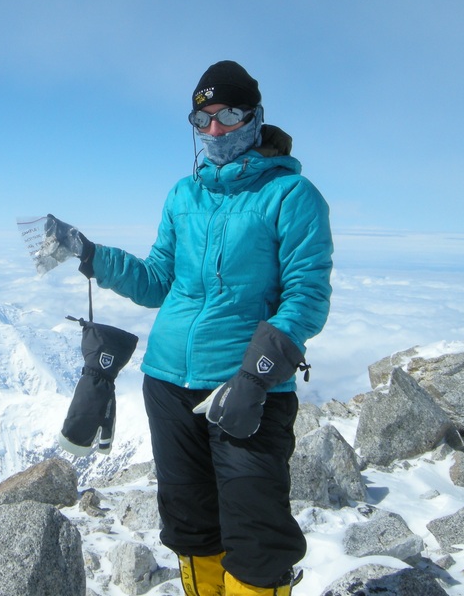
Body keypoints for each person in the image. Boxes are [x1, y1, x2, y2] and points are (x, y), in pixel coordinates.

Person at [45, 60, 333, 596]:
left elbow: (307, 297)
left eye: (228, 114)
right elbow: (158, 281)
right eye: (202, 120)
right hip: (168, 385)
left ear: (256, 116)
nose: (215, 130)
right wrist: (90, 254)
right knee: (193, 529)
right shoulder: (184, 195)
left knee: (257, 540)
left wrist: (255, 376)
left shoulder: (293, 197)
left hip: (246, 389)